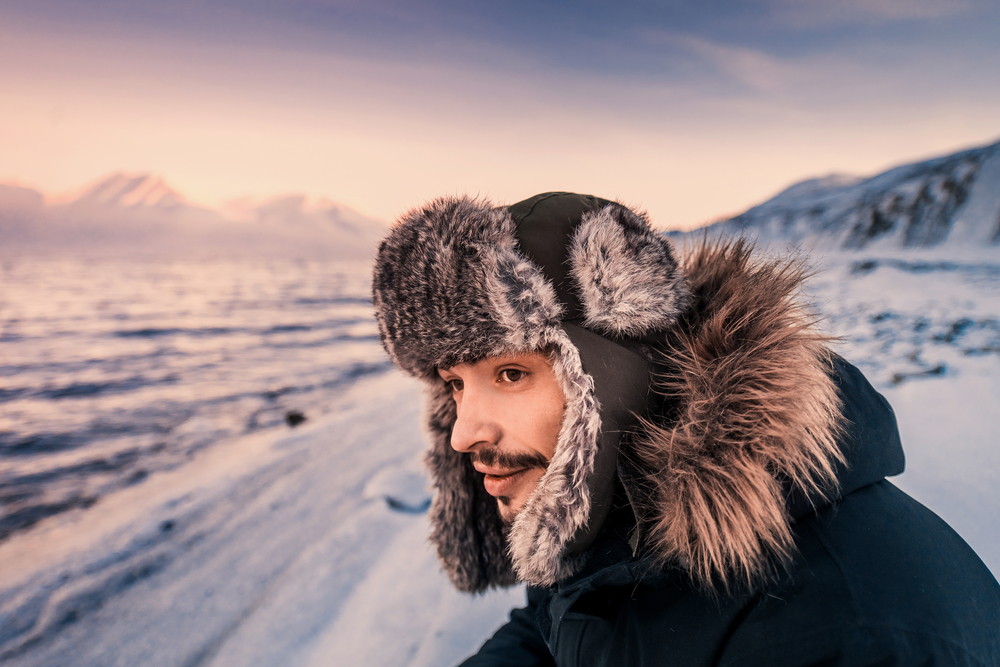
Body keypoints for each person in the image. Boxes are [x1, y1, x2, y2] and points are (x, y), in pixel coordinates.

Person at [372, 192, 1000, 666]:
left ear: (609, 379)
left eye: (511, 373)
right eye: (455, 383)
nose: (462, 435)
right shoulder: (612, 508)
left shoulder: (845, 628)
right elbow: (558, 625)